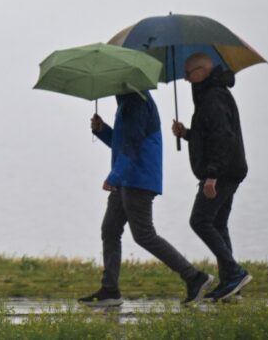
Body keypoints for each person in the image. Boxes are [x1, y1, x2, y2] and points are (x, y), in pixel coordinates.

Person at [78, 91, 214, 307]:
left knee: (144, 235)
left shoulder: (138, 102)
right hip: (127, 178)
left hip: (138, 179)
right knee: (110, 230)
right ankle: (110, 290)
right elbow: (122, 142)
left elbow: (131, 147)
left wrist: (114, 176)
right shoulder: (126, 102)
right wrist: (102, 131)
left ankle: (195, 277)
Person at [172, 52, 252, 301]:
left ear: (202, 70)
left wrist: (212, 176)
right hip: (231, 169)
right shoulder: (210, 94)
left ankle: (235, 273)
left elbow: (222, 138)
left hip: (223, 172)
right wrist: (186, 133)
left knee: (200, 221)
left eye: (188, 73)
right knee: (217, 224)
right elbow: (209, 134)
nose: (185, 79)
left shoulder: (213, 97)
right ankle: (232, 284)